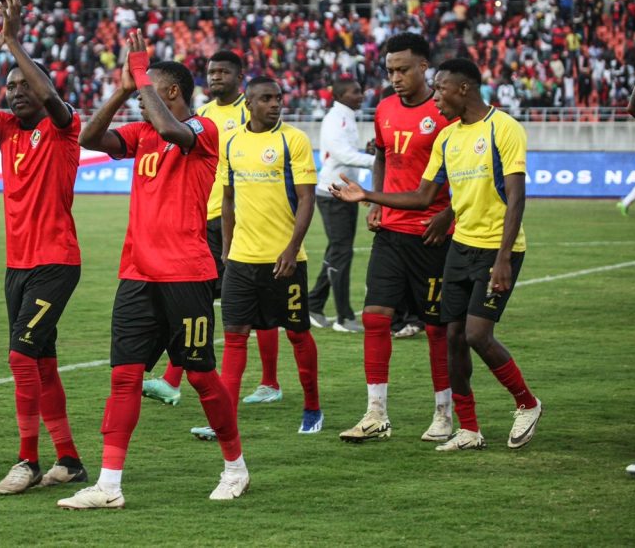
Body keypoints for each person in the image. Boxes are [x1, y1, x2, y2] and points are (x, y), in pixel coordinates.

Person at [59, 32, 248, 509]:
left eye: (146, 91)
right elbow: (88, 138)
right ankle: (109, 486)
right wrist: (123, 88)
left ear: (171, 92)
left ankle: (235, 468)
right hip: (137, 274)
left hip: (186, 275)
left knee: (201, 376)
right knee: (124, 377)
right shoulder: (140, 133)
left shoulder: (203, 130)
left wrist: (141, 73)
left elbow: (169, 128)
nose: (140, 101)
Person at [330, 58, 543, 452]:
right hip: (459, 247)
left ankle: (527, 402)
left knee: (477, 334)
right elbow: (423, 196)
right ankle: (469, 429)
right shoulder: (447, 138)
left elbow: (516, 197)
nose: (437, 98)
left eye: (441, 89)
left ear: (463, 88)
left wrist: (503, 258)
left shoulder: (503, 128)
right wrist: (369, 195)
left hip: (497, 249)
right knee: (453, 338)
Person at [0, 0, 87, 494]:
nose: (13, 93)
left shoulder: (63, 127)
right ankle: (69, 461)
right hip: (18, 265)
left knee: (20, 356)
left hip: (56, 262)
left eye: (22, 85)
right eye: (8, 87)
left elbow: (49, 95)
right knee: (42, 362)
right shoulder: (5, 129)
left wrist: (13, 43)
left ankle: (27, 461)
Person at [143, 50, 284, 407]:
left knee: (257, 303)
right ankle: (172, 379)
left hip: (242, 218)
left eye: (223, 72)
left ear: (239, 77)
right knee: (196, 298)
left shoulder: (250, 112)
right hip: (203, 218)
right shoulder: (202, 115)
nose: (216, 77)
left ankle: (269, 382)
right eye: (211, 72)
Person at [189, 77, 322, 442]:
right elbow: (227, 199)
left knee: (297, 333)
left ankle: (312, 407)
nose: (275, 104)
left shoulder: (293, 140)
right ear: (248, 103)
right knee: (235, 339)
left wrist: (292, 248)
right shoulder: (232, 142)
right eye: (266, 98)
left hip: (284, 260)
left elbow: (307, 198)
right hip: (241, 261)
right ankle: (224, 421)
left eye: (278, 98)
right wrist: (227, 249)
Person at [338, 33, 456, 445]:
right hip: (391, 231)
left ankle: (444, 413)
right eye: (390, 71)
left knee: (437, 329)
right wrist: (376, 201)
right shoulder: (385, 108)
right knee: (375, 318)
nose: (395, 78)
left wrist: (449, 212)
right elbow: (382, 155)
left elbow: (466, 170)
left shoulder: (444, 112)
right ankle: (376, 414)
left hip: (432, 236)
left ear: (424, 67)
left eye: (403, 70)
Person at [308, 79, 375, 333]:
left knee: (338, 251)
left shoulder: (346, 117)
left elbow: (346, 156)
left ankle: (314, 304)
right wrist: (376, 160)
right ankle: (344, 317)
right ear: (339, 94)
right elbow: (343, 155)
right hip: (332, 193)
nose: (361, 95)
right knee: (341, 252)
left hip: (342, 192)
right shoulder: (336, 119)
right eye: (355, 92)